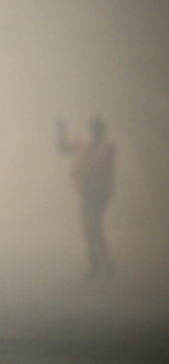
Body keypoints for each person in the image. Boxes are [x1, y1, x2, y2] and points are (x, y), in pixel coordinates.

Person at [57, 116, 116, 279]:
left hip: (100, 192)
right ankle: (99, 265)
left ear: (102, 132)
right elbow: (63, 149)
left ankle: (102, 264)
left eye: (98, 131)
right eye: (94, 130)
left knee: (94, 226)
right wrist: (61, 131)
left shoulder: (108, 148)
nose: (96, 133)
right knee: (89, 228)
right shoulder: (84, 143)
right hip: (87, 190)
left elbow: (109, 172)